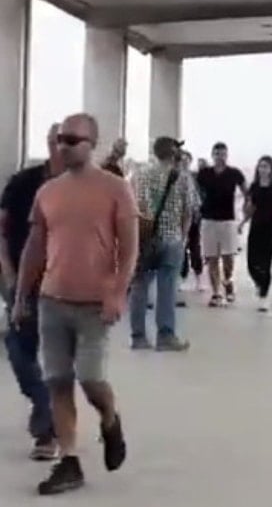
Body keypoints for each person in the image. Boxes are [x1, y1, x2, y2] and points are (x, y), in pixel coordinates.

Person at [12, 112, 139, 496]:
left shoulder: (116, 189)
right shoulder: (48, 192)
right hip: (52, 300)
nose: (63, 146)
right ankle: (69, 461)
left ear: (92, 144)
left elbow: (129, 248)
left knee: (90, 377)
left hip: (94, 304)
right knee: (57, 381)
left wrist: (117, 292)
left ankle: (110, 419)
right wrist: (21, 297)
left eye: (72, 140)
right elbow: (35, 248)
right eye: (60, 140)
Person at [0, 123, 60, 462]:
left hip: (64, 283)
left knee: (58, 358)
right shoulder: (23, 182)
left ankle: (47, 430)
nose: (63, 147)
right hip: (23, 280)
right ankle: (42, 401)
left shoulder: (85, 187)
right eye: (57, 140)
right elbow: (2, 230)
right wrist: (9, 273)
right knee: (19, 347)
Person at [129, 136, 197, 351]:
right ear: (174, 153)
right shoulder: (183, 177)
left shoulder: (140, 174)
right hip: (171, 239)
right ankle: (165, 336)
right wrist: (183, 238)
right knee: (167, 289)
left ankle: (138, 337)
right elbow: (189, 211)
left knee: (140, 286)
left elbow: (134, 206)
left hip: (146, 239)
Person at [196, 142, 247, 307]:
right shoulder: (204, 174)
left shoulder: (234, 173)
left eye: (223, 154)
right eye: (217, 154)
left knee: (228, 258)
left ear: (227, 155)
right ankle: (216, 293)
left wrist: (245, 214)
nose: (220, 157)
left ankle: (228, 282)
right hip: (208, 220)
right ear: (213, 155)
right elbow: (194, 192)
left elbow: (247, 193)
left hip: (228, 220)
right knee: (212, 258)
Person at [240, 156, 272, 312]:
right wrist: (243, 222)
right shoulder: (254, 186)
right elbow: (251, 207)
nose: (263, 169)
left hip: (271, 227)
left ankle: (264, 296)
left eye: (266, 166)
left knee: (266, 263)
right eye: (261, 166)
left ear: (271, 169)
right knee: (251, 263)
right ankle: (259, 283)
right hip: (256, 226)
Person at [179, 150, 204, 293]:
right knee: (181, 248)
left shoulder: (195, 176)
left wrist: (199, 211)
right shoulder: (174, 175)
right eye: (182, 159)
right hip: (179, 217)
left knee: (195, 246)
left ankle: (198, 277)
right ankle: (182, 277)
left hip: (194, 217)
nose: (184, 162)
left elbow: (199, 195)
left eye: (187, 159)